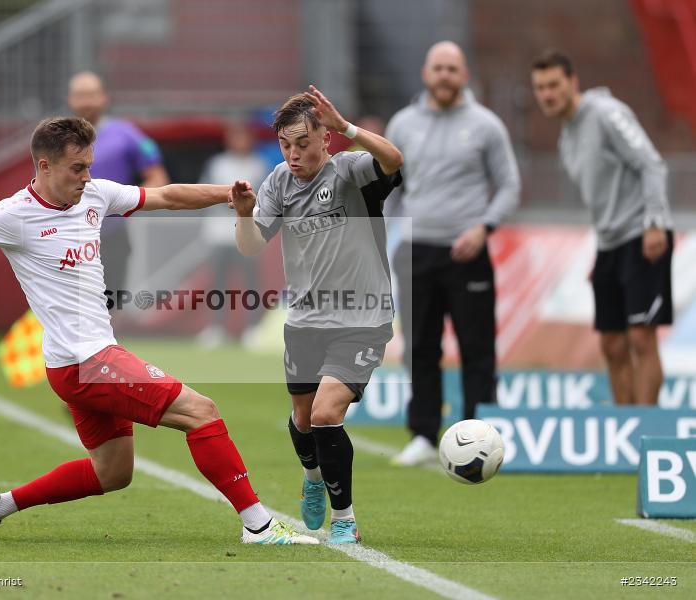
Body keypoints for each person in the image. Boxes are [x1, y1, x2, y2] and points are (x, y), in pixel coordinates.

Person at [0, 116, 316, 546]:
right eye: (77, 168)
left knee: (113, 473)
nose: (86, 176)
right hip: (85, 362)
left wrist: (228, 196)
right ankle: (258, 525)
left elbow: (163, 195)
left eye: (89, 166)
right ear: (44, 166)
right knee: (201, 411)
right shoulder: (12, 216)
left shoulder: (94, 193)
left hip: (78, 363)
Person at [231, 86, 404, 544]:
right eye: (286, 145)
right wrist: (246, 216)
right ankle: (312, 479)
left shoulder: (349, 170)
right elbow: (250, 246)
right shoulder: (277, 182)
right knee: (303, 420)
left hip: (361, 319)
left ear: (325, 139)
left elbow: (394, 159)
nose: (292, 154)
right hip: (305, 321)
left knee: (327, 413)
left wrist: (347, 126)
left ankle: (344, 518)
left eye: (302, 144)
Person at [385, 41, 521, 467]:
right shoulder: (403, 124)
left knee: (477, 346)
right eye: (438, 68)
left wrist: (484, 228)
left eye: (452, 68)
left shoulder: (486, 125)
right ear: (426, 73)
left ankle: (482, 434)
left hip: (467, 252)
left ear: (464, 75)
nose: (444, 75)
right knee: (420, 346)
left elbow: (511, 185)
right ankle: (423, 434)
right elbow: (388, 187)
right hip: (416, 250)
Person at [530, 50, 673, 406]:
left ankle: (646, 429)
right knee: (611, 343)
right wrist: (601, 251)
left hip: (643, 234)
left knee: (642, 337)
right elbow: (603, 198)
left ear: (572, 82)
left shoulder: (606, 113)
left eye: (553, 85)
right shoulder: (566, 139)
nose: (547, 94)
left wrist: (654, 222)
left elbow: (652, 164)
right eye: (540, 88)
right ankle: (622, 427)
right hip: (610, 245)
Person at [67, 71, 170, 305]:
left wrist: (125, 203)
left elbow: (158, 177)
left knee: (110, 305)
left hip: (111, 237)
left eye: (91, 95)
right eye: (80, 95)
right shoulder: (57, 138)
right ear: (70, 100)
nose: (86, 102)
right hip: (67, 236)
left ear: (104, 98)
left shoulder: (127, 134)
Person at [196, 120, 271, 348]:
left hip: (248, 237)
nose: (239, 142)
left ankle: (252, 330)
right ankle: (216, 329)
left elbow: (266, 200)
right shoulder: (215, 164)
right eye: (234, 137)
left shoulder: (259, 165)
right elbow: (202, 194)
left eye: (243, 136)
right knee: (218, 284)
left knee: (251, 284)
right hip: (218, 235)